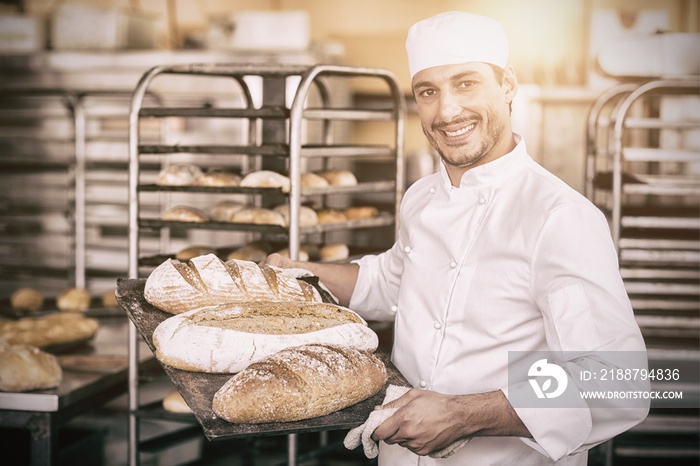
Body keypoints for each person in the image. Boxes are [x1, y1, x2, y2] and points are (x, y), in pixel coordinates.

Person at [263, 11, 649, 466]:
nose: (446, 111)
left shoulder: (559, 217)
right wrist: (300, 275)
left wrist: (464, 415)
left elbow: (615, 382)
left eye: (466, 83)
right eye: (429, 91)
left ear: (507, 86)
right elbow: (392, 283)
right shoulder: (422, 197)